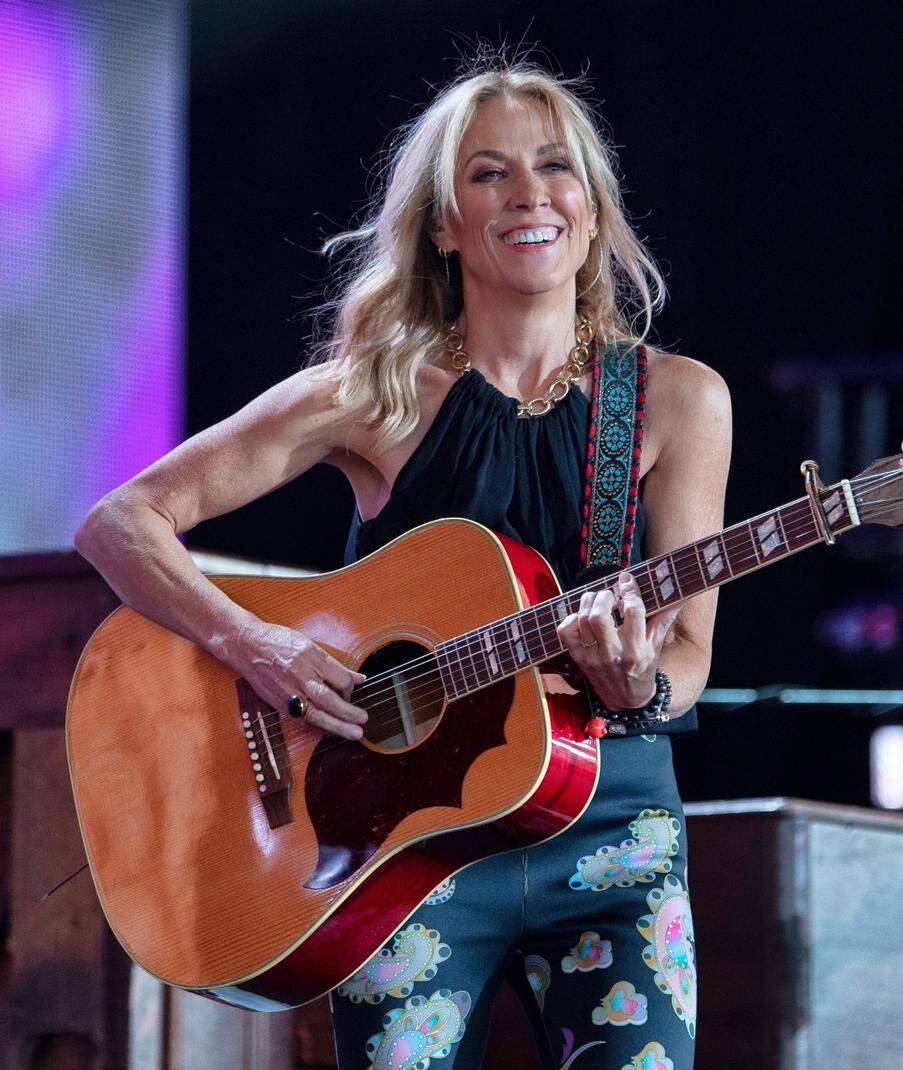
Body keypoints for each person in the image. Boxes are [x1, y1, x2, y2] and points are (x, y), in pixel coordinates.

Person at [75, 59, 731, 1070]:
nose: (528, 193)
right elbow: (122, 522)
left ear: (593, 211)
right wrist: (256, 645)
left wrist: (636, 682)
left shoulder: (677, 400)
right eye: (488, 173)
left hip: (609, 833)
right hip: (400, 845)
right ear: (442, 225)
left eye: (557, 167)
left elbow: (687, 654)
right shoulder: (374, 390)